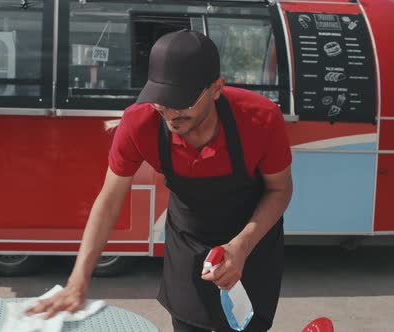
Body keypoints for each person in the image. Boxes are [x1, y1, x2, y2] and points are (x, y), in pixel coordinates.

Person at [28, 29, 293, 332]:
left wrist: (241, 247)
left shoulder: (260, 118)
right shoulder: (140, 122)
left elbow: (280, 190)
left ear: (216, 89)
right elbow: (109, 201)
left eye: (181, 102)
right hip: (189, 239)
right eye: (161, 101)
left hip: (252, 241)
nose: (170, 115)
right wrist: (78, 280)